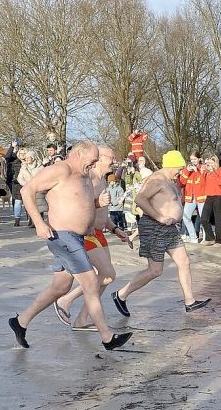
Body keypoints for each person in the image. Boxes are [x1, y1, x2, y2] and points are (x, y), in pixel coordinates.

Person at [9, 141, 132, 350]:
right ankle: (107, 337)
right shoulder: (61, 169)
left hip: (78, 238)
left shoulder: (84, 176)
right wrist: (39, 222)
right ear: (79, 154)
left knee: (60, 287)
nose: (93, 164)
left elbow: (79, 203)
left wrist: (98, 207)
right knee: (91, 282)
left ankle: (20, 321)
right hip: (62, 236)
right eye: (92, 160)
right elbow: (27, 190)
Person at [112, 150, 211, 317]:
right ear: (172, 165)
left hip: (170, 228)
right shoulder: (156, 180)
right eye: (179, 168)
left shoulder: (169, 180)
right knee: (155, 270)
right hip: (155, 227)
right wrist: (159, 217)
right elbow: (140, 199)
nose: (180, 171)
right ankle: (121, 294)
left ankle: (190, 301)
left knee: (184, 261)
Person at [53, 146, 132, 330]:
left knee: (106, 278)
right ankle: (66, 300)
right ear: (100, 158)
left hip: (100, 232)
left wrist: (114, 229)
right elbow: (83, 205)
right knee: (107, 275)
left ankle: (82, 320)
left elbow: (103, 212)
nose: (114, 161)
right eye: (111, 157)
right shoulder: (90, 178)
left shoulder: (102, 179)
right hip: (88, 233)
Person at [200, 157, 221, 246]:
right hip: (209, 196)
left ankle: (220, 240)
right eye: (208, 163)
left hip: (219, 196)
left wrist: (214, 171)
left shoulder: (220, 171)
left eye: (212, 163)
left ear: (216, 163)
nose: (210, 165)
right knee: (204, 218)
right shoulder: (207, 172)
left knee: (218, 219)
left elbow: (220, 182)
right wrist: (203, 172)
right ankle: (210, 237)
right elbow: (202, 183)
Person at [179, 155, 203, 243]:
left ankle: (206, 238)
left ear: (199, 159)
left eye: (195, 159)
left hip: (201, 196)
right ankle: (193, 237)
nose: (193, 161)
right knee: (185, 217)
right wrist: (186, 171)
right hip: (190, 197)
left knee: (203, 218)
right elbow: (181, 182)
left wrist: (197, 171)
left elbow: (201, 181)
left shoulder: (202, 167)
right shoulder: (188, 170)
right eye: (191, 159)